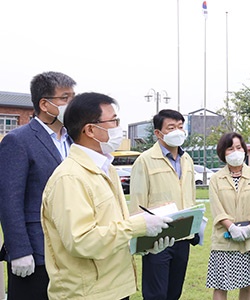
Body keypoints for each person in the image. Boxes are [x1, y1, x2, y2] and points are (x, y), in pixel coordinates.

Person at [41, 92, 174, 299]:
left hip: (116, 287)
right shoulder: (69, 178)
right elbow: (83, 241)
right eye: (114, 121)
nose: (118, 127)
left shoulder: (106, 168)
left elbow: (112, 227)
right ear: (91, 130)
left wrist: (144, 241)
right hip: (87, 293)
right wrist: (139, 225)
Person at [0, 71, 76, 300]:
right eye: (65, 98)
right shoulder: (19, 140)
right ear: (44, 104)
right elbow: (9, 199)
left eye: (74, 97)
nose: (72, 104)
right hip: (35, 249)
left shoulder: (73, 139)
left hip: (70, 247)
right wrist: (20, 250)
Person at [129, 109, 199, 300]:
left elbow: (190, 196)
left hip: (183, 236)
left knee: (174, 292)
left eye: (180, 126)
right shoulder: (145, 161)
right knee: (156, 294)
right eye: (171, 127)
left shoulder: (187, 159)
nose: (177, 131)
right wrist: (141, 239)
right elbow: (137, 201)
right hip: (157, 239)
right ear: (158, 133)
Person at [206, 132, 250, 300]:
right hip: (223, 239)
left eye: (239, 147)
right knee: (220, 284)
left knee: (247, 283)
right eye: (230, 148)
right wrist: (230, 227)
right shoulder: (216, 179)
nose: (235, 151)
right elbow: (216, 207)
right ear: (222, 153)